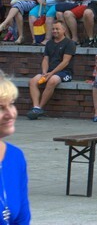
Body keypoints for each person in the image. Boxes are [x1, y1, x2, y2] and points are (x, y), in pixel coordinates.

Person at [26, 21, 76, 119]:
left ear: (64, 30)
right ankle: (36, 107)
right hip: (49, 71)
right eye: (53, 29)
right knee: (33, 81)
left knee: (52, 80)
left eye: (57, 29)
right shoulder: (49, 43)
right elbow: (45, 59)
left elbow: (65, 62)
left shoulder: (70, 43)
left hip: (65, 72)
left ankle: (40, 107)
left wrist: (51, 73)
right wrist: (45, 72)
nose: (54, 31)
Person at [0, 71, 31, 224]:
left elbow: (22, 218)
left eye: (11, 104)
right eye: (0, 107)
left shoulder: (14, 156)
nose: (10, 114)